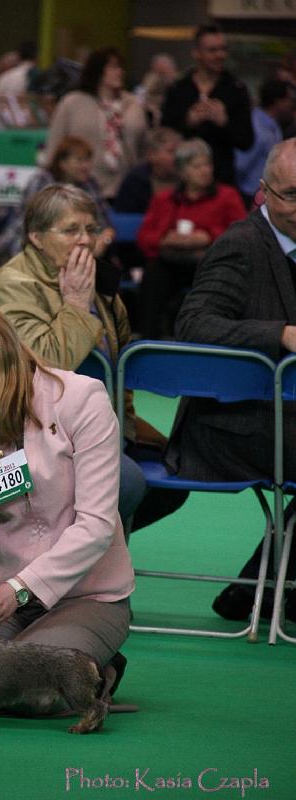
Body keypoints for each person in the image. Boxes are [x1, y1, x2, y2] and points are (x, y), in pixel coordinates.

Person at [0, 298, 135, 713]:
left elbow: (96, 525)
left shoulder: (82, 400)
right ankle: (77, 664)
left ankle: (99, 669)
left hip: (87, 596)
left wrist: (20, 589)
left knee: (31, 687)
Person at [0, 184, 171, 523]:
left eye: (90, 230)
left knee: (173, 474)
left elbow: (118, 370)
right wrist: (78, 305)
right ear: (36, 237)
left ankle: (75, 551)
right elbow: (48, 366)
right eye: (70, 230)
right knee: (126, 482)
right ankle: (60, 558)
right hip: (12, 442)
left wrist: (121, 433)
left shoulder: (101, 287)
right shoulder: (11, 286)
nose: (84, 240)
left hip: (85, 432)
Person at [165, 137, 296, 622]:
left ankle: (253, 589)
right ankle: (263, 589)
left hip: (278, 419)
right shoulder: (241, 245)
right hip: (227, 426)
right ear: (263, 193)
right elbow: (193, 324)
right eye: (292, 195)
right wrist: (278, 334)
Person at [137, 137, 246, 338]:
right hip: (173, 262)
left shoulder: (227, 196)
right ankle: (147, 341)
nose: (205, 170)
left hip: (211, 263)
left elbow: (242, 234)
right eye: (197, 166)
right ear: (182, 171)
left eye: (208, 164)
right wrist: (166, 239)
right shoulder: (165, 199)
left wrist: (208, 236)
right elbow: (144, 237)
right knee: (153, 274)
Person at [43, 46, 148, 199]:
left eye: (120, 67)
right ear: (97, 70)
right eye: (112, 67)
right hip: (82, 188)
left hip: (126, 189)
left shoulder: (134, 105)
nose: (119, 72)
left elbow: (144, 147)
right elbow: (54, 145)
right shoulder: (72, 102)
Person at [0, 135, 115, 264]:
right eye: (80, 160)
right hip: (29, 245)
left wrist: (103, 240)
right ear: (63, 163)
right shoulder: (41, 181)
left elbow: (106, 224)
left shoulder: (90, 184)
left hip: (78, 252)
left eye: (88, 160)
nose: (86, 166)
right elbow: (32, 226)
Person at [161, 23, 254, 186]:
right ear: (196, 53)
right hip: (182, 183)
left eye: (223, 49)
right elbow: (163, 134)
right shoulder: (178, 88)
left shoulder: (236, 89)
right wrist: (187, 122)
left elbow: (247, 141)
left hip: (222, 182)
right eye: (212, 50)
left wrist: (224, 123)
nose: (220, 55)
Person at [235, 79, 294, 208]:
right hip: (248, 198)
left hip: (264, 197)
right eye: (290, 100)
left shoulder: (274, 126)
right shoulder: (256, 127)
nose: (292, 105)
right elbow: (240, 165)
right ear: (278, 102)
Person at [113, 126, 182, 214]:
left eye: (178, 151)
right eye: (171, 151)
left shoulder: (185, 179)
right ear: (152, 155)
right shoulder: (136, 181)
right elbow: (125, 218)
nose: (177, 156)